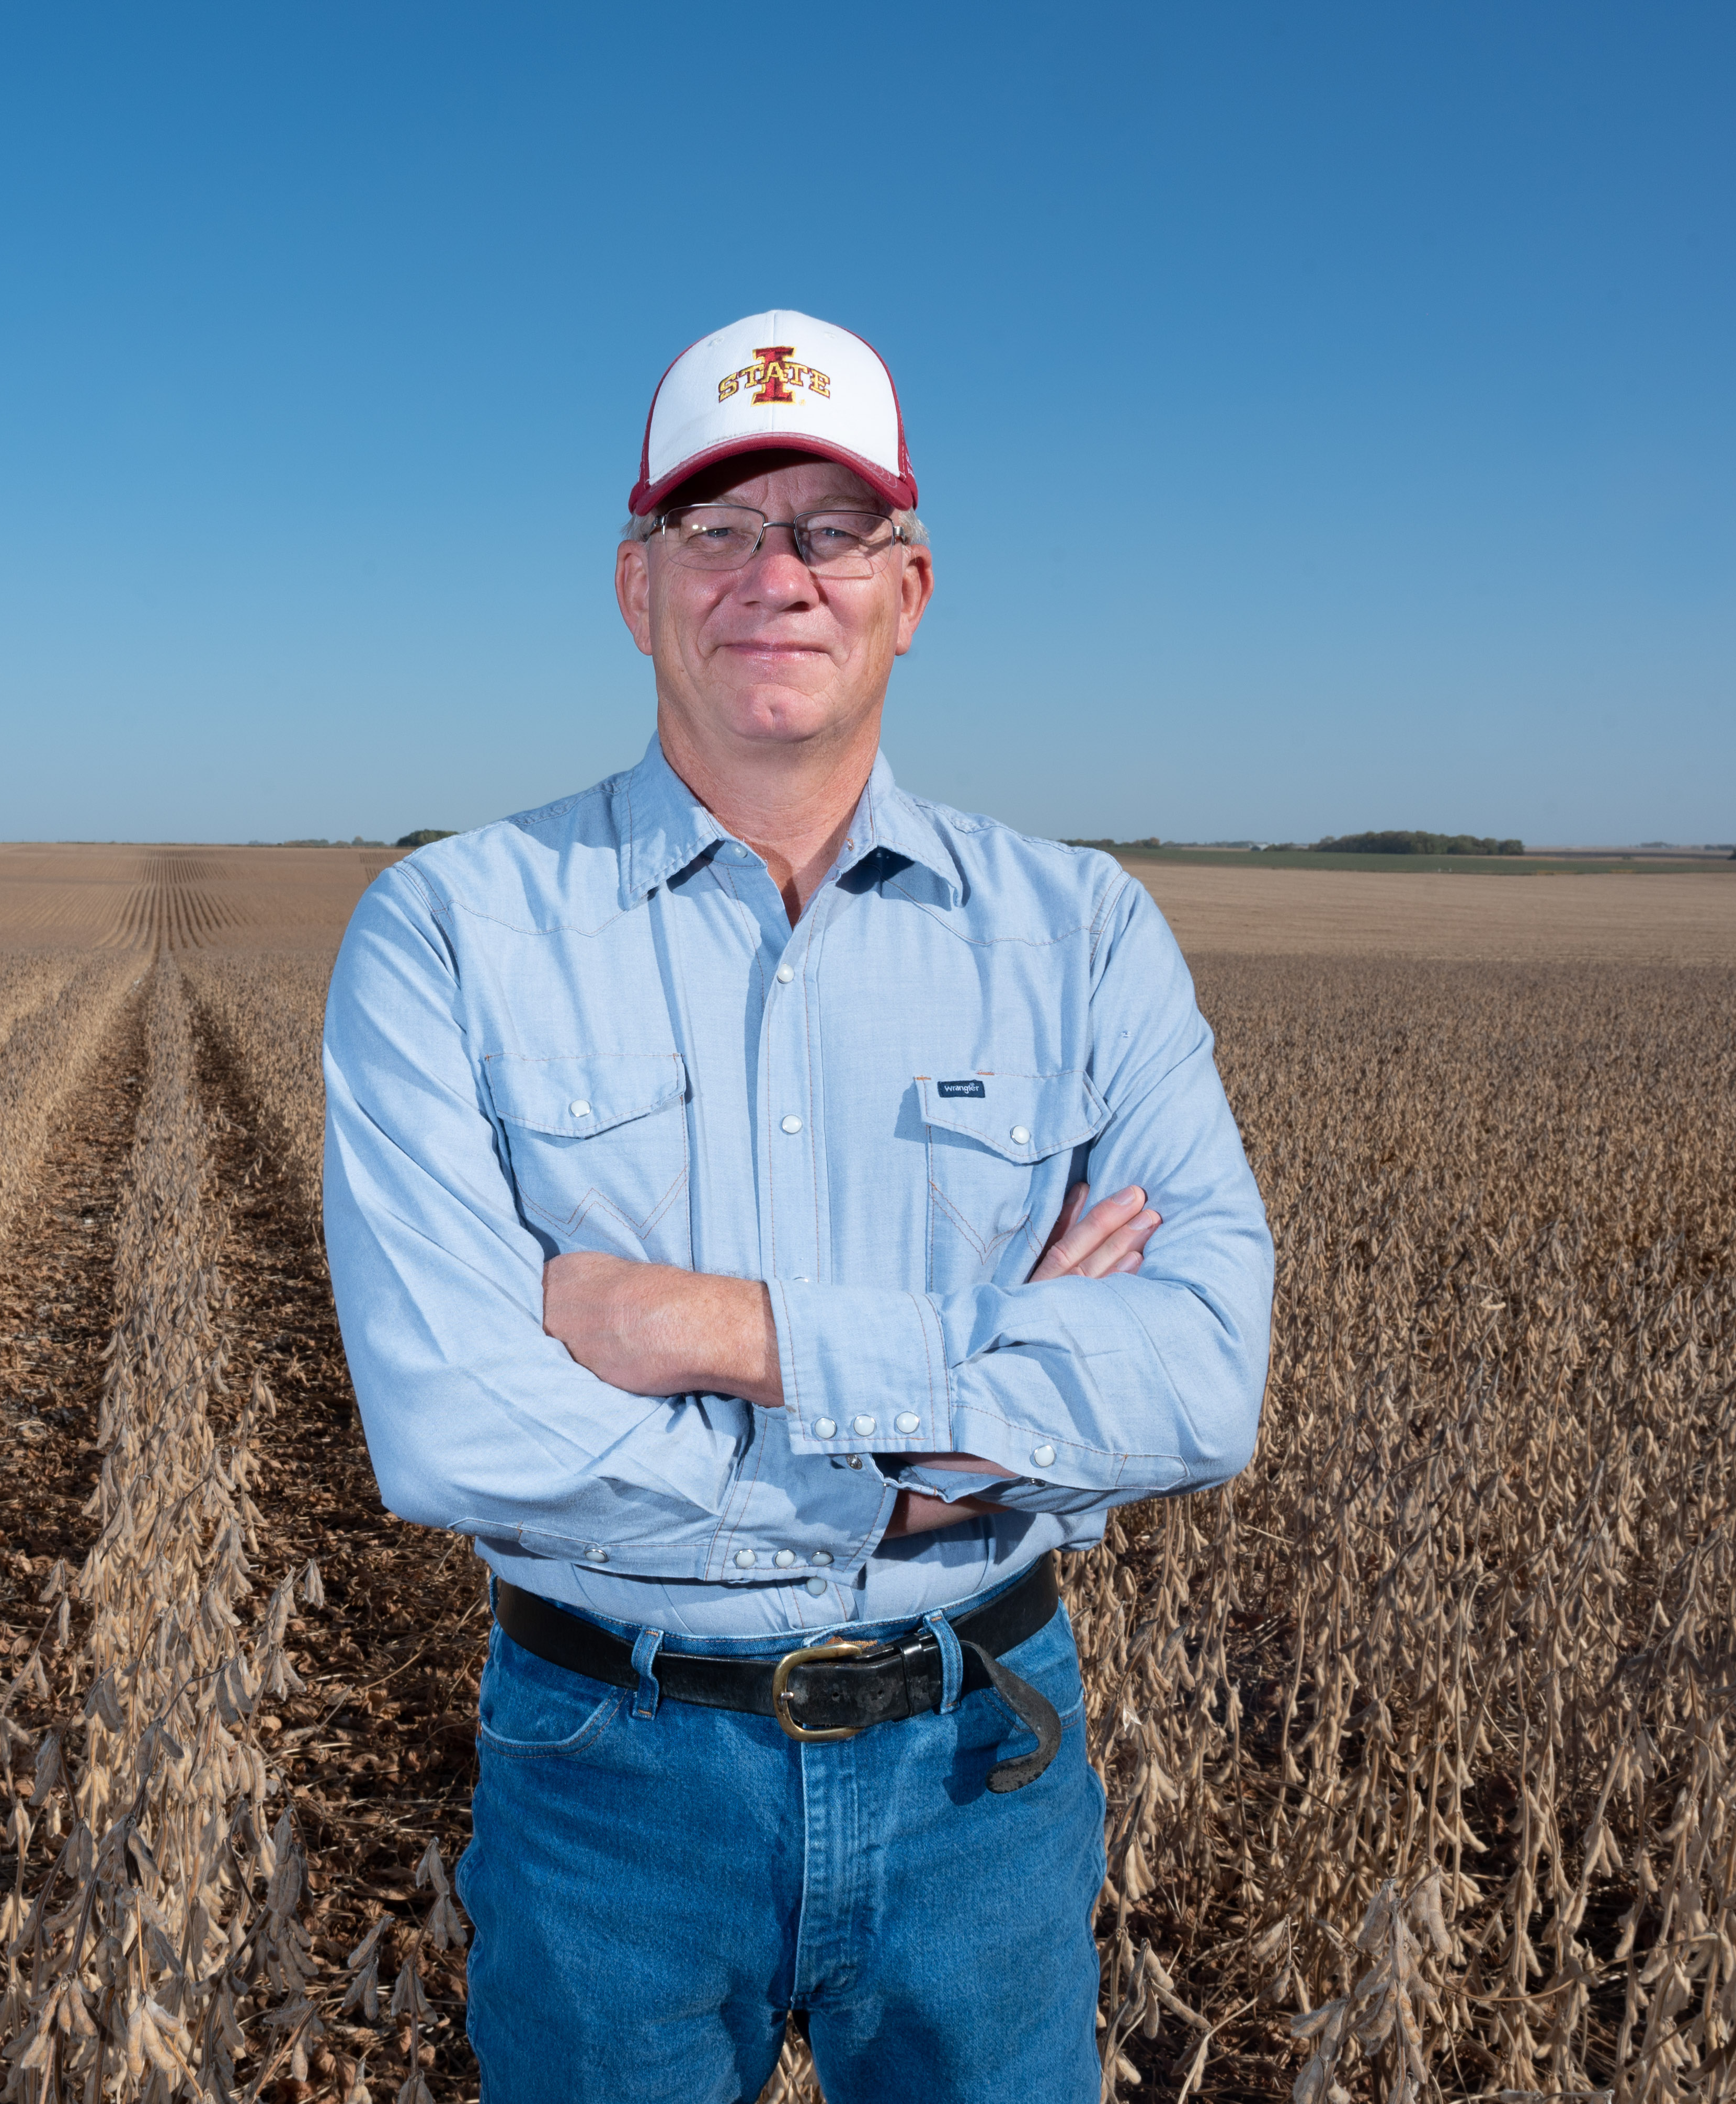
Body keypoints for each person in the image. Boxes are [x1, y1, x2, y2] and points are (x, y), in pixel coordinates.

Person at [319, 310, 1272, 2104]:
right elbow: (454, 1421)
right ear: (637, 586)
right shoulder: (451, 930)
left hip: (981, 1769)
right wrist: (943, 1445)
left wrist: (712, 1332)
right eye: (720, 527)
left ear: (911, 587)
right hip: (612, 1770)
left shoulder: (1081, 936)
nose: (780, 574)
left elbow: (1201, 1372)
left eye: (831, 529)